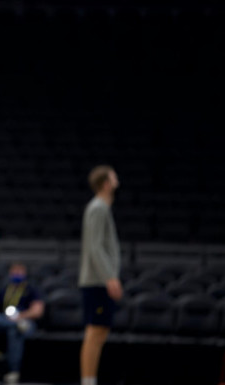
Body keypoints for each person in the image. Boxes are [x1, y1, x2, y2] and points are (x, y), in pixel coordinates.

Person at [78, 165, 123, 385]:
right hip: (96, 281)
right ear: (106, 183)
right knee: (94, 333)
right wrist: (110, 277)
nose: (117, 180)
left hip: (99, 280)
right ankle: (88, 380)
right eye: (114, 177)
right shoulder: (98, 207)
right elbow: (95, 247)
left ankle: (89, 379)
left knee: (100, 332)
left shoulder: (102, 207)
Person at [0, 262, 45, 384]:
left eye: (20, 272)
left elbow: (37, 311)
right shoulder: (4, 289)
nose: (17, 274)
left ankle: (13, 371)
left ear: (25, 274)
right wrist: (6, 320)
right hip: (7, 321)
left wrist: (20, 317)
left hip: (26, 322)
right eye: (14, 271)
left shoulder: (31, 290)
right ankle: (14, 371)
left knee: (15, 331)